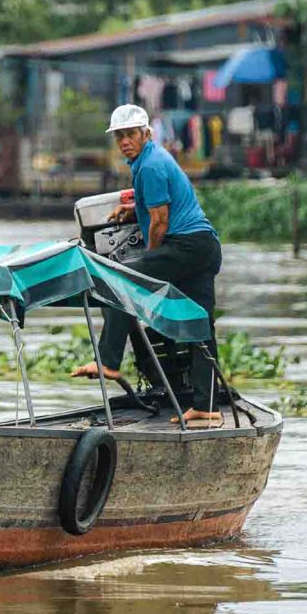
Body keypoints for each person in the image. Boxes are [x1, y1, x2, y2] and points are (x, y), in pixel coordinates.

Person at [71, 103, 227, 427]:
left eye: (130, 135)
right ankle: (206, 404)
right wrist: (131, 213)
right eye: (119, 136)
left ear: (146, 134)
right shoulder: (148, 161)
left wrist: (148, 266)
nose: (124, 141)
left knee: (122, 280)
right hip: (204, 247)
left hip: (186, 245)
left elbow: (159, 222)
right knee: (199, 323)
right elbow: (155, 209)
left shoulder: (151, 165)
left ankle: (109, 361)